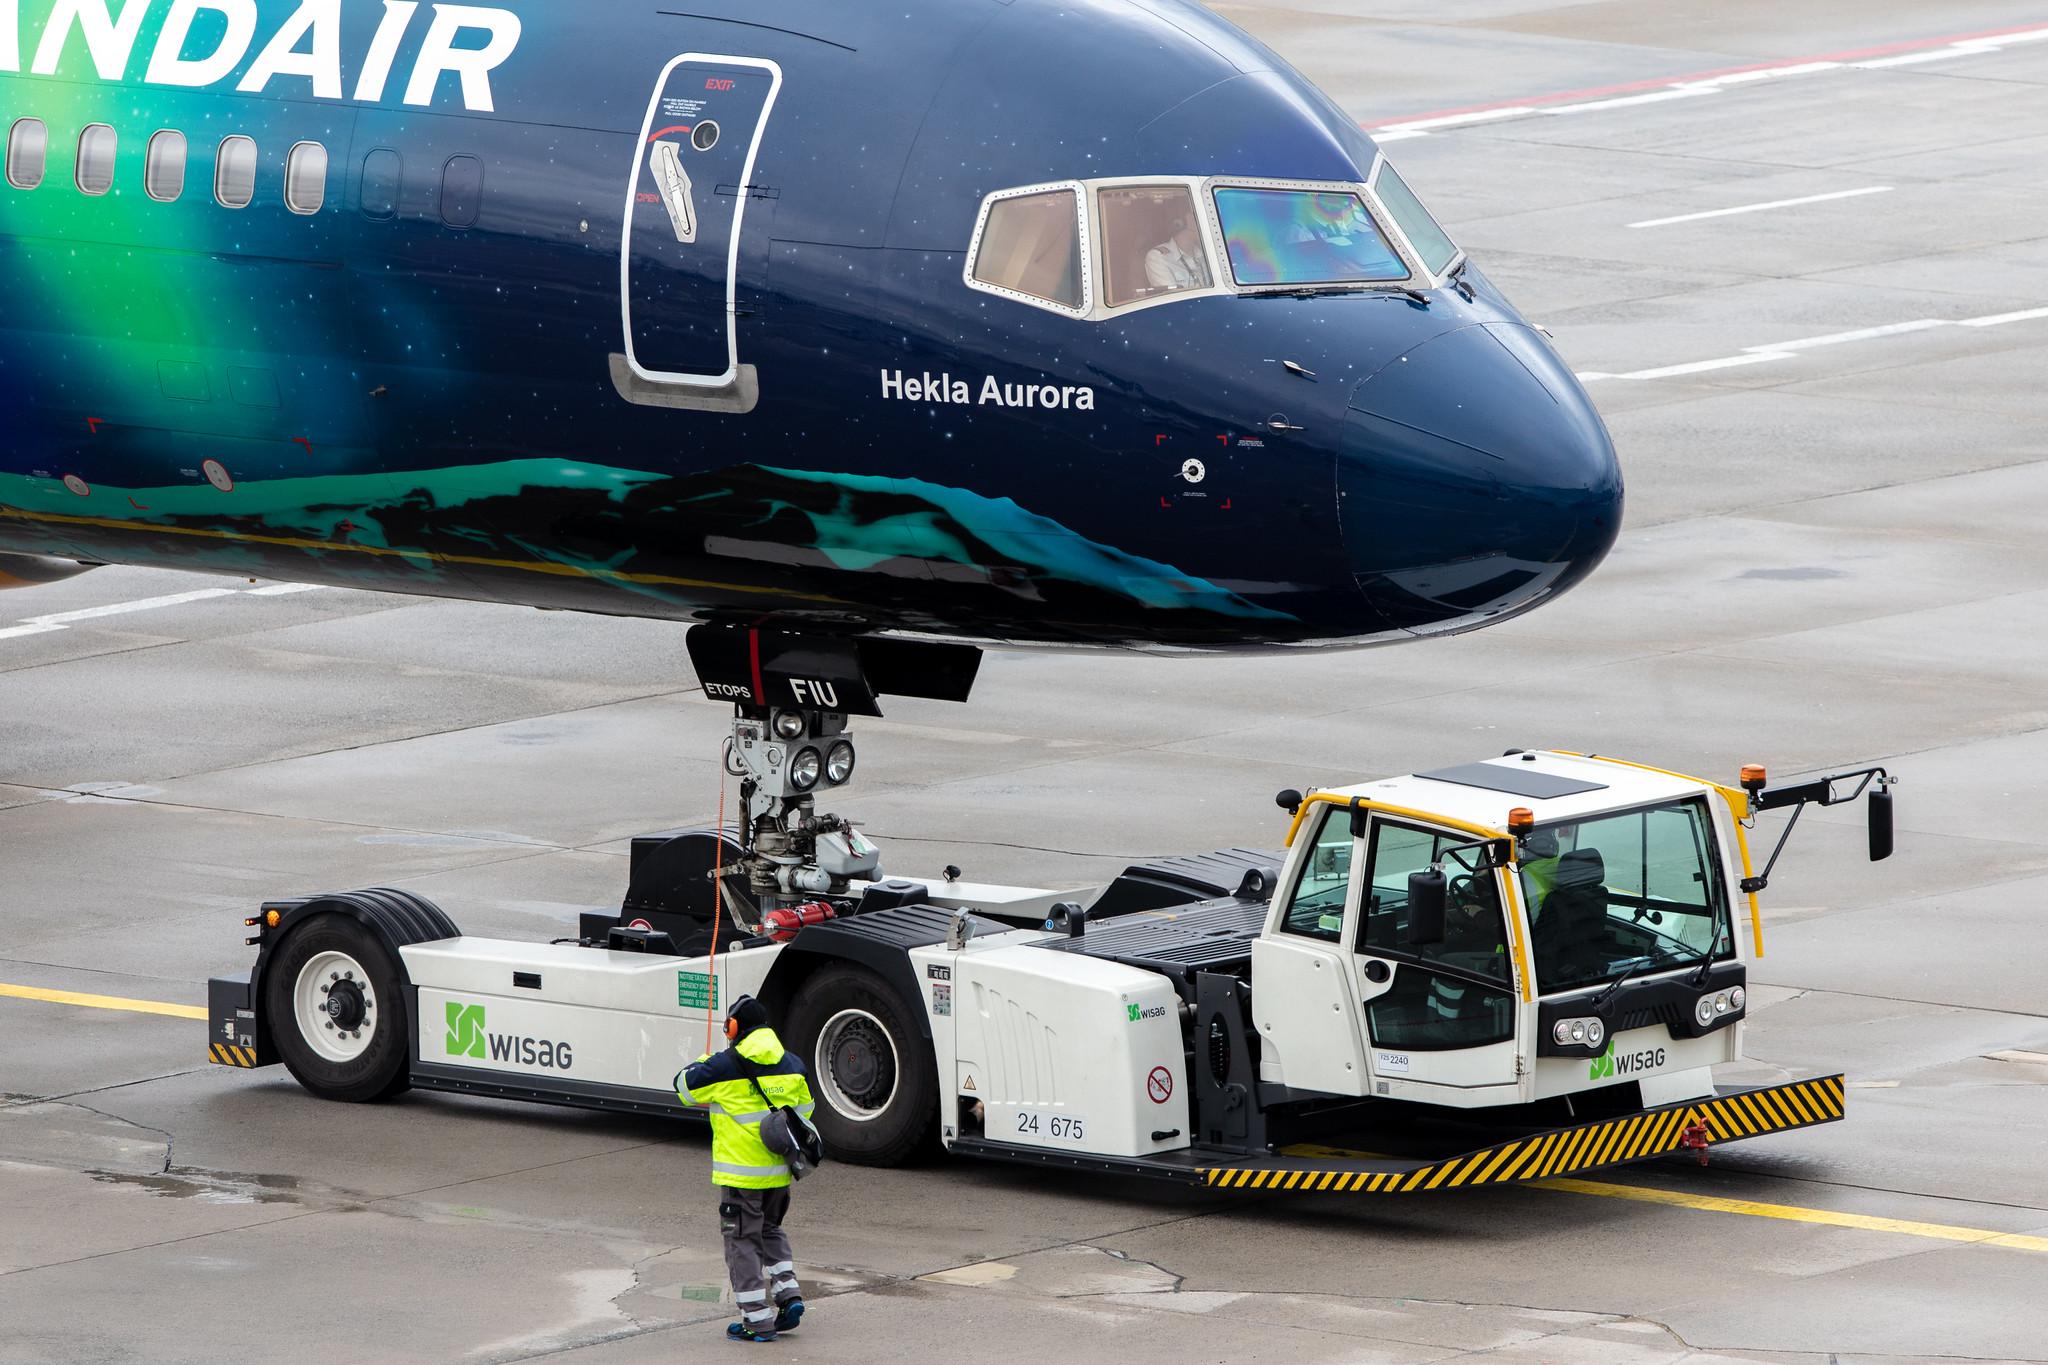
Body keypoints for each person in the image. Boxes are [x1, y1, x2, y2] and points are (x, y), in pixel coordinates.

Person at [676, 994, 816, 1344]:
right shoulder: (793, 1064)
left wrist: (704, 1060)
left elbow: (683, 1087)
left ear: (734, 1027)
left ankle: (756, 1320)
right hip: (780, 1174)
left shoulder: (723, 1066)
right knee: (770, 1231)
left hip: (740, 1177)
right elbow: (806, 1111)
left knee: (741, 1242)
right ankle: (789, 1295)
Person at [1144, 215, 1211, 291]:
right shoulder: (1158, 257)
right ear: (1179, 224)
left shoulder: (1206, 253)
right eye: (1194, 218)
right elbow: (1171, 297)